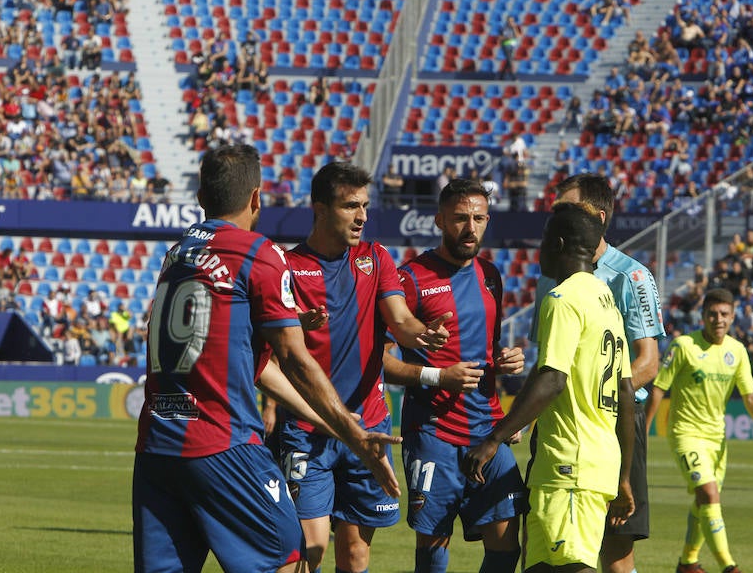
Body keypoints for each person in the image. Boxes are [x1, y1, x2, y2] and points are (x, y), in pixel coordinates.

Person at [133, 144, 400, 573]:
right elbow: (295, 359)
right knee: (291, 555)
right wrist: (353, 433)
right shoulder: (258, 253)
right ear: (256, 199)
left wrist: (340, 426)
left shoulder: (177, 254)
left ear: (202, 199)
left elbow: (261, 367)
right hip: (223, 443)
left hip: (157, 445)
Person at [273, 161, 451, 573]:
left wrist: (423, 333)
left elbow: (400, 320)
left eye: (365, 206)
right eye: (351, 206)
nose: (363, 216)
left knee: (355, 556)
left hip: (368, 426)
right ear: (320, 209)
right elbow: (273, 340)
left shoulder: (376, 258)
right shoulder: (287, 267)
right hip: (307, 429)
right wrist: (297, 323)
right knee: (308, 551)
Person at [463, 202, 636, 573]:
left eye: (542, 240)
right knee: (542, 565)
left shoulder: (564, 299)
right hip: (594, 462)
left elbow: (552, 378)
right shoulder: (607, 304)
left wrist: (494, 438)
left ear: (557, 244)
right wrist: (622, 476)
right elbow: (625, 392)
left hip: (569, 464)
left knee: (570, 566)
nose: (538, 250)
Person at [381, 179, 527, 573]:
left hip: (487, 432)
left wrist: (506, 359)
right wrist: (436, 376)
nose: (470, 227)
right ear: (439, 221)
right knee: (433, 549)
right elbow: (382, 360)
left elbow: (487, 350)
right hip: (433, 432)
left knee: (506, 546)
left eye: (478, 218)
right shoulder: (409, 279)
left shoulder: (491, 275)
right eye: (460, 218)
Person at [529, 174, 665, 573]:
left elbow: (648, 362)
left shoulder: (631, 277)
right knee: (547, 540)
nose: (556, 217)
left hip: (613, 421)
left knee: (615, 546)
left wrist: (590, 395)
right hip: (559, 420)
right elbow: (550, 361)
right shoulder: (550, 277)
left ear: (598, 216)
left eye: (567, 208)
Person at [645, 288, 753, 573]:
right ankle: (728, 566)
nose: (718, 319)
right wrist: (643, 430)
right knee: (709, 493)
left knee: (703, 499)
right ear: (703, 316)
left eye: (724, 314)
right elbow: (658, 389)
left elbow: (751, 395)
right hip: (685, 433)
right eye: (713, 314)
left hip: (717, 439)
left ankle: (688, 562)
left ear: (732, 317)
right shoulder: (683, 346)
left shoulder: (737, 351)